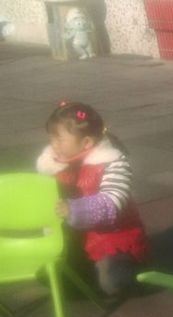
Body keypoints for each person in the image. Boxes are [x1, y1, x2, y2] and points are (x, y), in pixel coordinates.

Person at [36, 101, 149, 297]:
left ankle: (134, 269)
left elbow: (113, 202)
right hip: (74, 236)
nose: (54, 145)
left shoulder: (111, 162)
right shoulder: (55, 164)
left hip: (111, 235)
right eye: (51, 138)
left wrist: (74, 210)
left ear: (86, 142)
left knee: (113, 282)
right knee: (49, 274)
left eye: (60, 139)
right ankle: (84, 275)